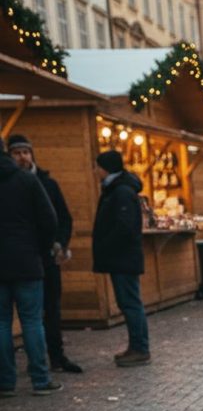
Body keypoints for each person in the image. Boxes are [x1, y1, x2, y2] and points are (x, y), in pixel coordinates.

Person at [7, 134, 80, 373]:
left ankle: (55, 356)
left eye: (26, 152)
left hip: (45, 256)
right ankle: (36, 367)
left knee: (51, 308)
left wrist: (59, 243)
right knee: (29, 317)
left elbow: (62, 218)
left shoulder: (48, 183)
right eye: (17, 153)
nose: (23, 157)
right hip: (25, 257)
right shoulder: (11, 182)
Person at [0, 135, 61, 396]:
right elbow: (50, 219)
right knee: (32, 321)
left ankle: (5, 381)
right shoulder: (27, 180)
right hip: (27, 260)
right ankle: (40, 378)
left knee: (2, 323)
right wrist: (39, 246)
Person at [92, 149, 150, 365]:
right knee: (129, 303)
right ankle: (136, 346)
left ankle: (140, 348)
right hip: (123, 257)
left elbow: (124, 227)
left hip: (123, 257)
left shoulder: (121, 191)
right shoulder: (117, 189)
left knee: (130, 303)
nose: (95, 171)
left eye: (98, 166)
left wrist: (106, 244)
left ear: (106, 168)